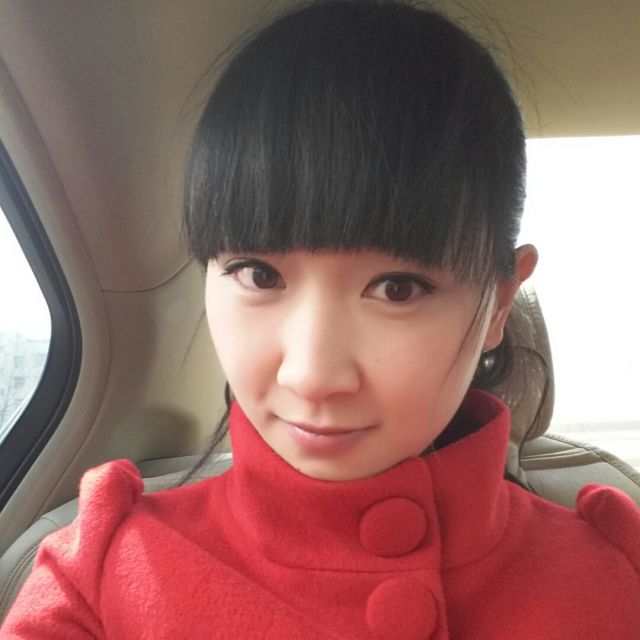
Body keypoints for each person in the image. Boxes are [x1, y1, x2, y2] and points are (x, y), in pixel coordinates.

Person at [2, 1, 639, 638]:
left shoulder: (619, 578)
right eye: (259, 275)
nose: (311, 376)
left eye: (397, 288)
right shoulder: (96, 578)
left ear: (498, 302)